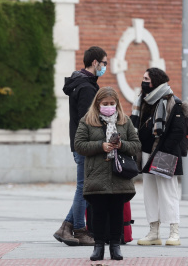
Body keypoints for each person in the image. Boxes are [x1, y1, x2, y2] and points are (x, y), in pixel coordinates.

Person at [74, 87, 140, 261]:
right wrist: (100, 146)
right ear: (98, 104)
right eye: (105, 104)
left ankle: (115, 247)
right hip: (97, 175)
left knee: (117, 212)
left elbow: (136, 145)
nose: (109, 107)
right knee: (99, 213)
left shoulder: (124, 121)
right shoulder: (87, 121)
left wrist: (121, 145)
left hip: (119, 175)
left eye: (112, 103)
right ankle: (98, 247)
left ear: (117, 104)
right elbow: (79, 144)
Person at [54, 46, 107, 246]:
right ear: (95, 63)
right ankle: (79, 229)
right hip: (85, 145)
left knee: (83, 187)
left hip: (80, 143)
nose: (105, 67)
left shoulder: (82, 83)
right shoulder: (86, 88)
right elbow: (89, 120)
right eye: (104, 63)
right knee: (83, 188)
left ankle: (66, 227)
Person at [131, 68, 188, 246]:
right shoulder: (142, 101)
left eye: (146, 79)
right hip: (146, 153)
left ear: (155, 81)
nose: (143, 82)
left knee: (168, 193)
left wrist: (163, 151)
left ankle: (174, 232)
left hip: (165, 154)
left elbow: (179, 130)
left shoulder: (171, 101)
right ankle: (154, 232)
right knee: (150, 194)